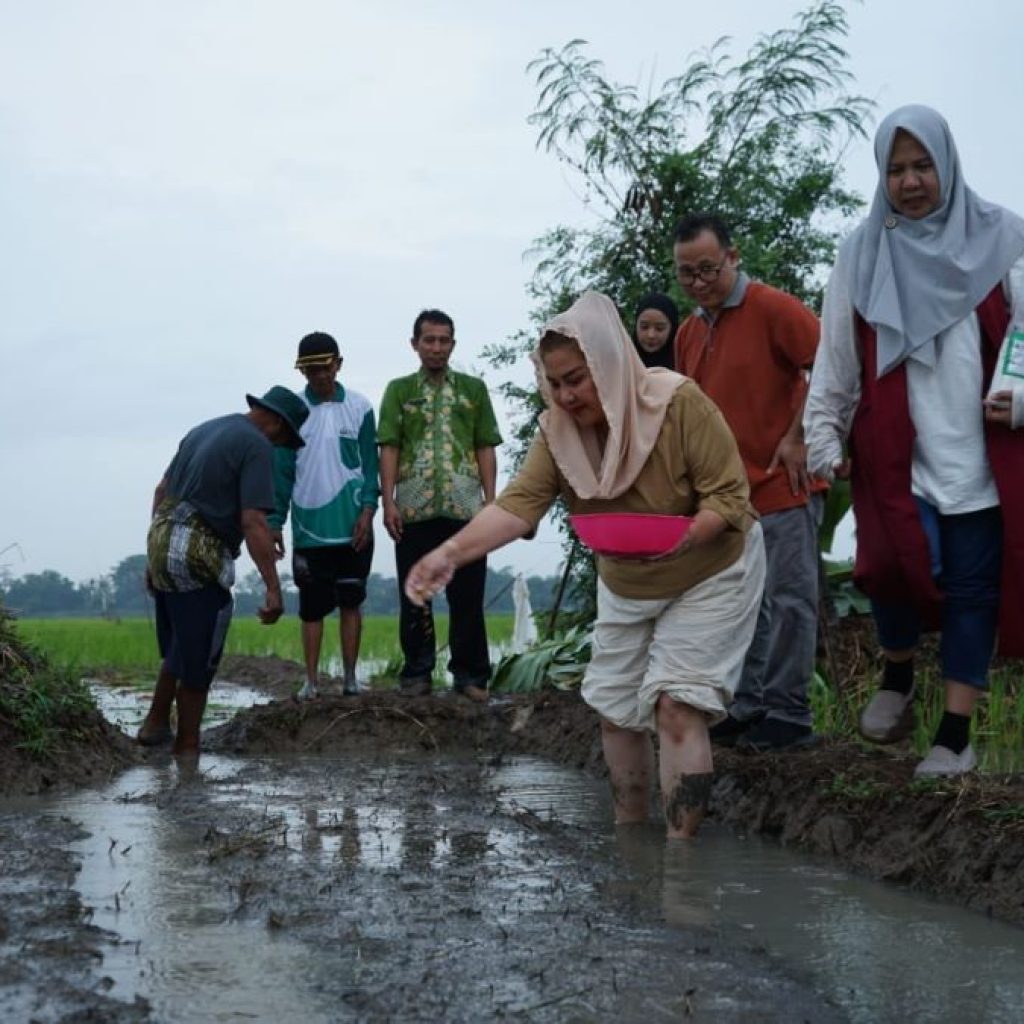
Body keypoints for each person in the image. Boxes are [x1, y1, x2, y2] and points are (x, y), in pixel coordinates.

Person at [404, 291, 765, 838]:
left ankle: (682, 860)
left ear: (611, 364)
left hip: (708, 572)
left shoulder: (678, 404)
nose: (567, 396)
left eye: (577, 379)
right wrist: (450, 553)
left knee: (675, 706)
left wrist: (691, 534)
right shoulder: (558, 434)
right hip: (625, 576)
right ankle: (630, 840)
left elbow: (729, 497)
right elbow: (517, 506)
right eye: (555, 384)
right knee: (615, 710)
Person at [804, 105, 1024, 777]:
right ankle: (897, 670)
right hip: (895, 456)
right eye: (896, 169)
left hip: (982, 460)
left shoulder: (1005, 241)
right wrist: (823, 435)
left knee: (973, 592)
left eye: (922, 165)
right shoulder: (861, 252)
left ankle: (953, 736)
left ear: (947, 165)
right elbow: (837, 356)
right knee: (888, 568)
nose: (910, 181)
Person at [674, 213, 823, 751]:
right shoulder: (689, 332)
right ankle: (750, 703)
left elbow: (828, 363)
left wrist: (799, 433)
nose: (697, 282)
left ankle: (790, 712)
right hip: (729, 497)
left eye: (707, 269)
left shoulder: (774, 308)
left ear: (733, 258)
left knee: (789, 599)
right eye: (686, 274)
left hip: (783, 480)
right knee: (745, 603)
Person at [138, 386, 309, 756]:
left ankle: (154, 723)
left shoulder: (204, 429)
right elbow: (253, 522)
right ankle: (187, 749)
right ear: (278, 424)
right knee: (201, 651)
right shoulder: (257, 445)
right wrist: (273, 588)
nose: (280, 448)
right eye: (285, 439)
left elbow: (161, 490)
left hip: (163, 538)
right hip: (198, 549)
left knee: (182, 641)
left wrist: (154, 556)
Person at [377, 309, 503, 701]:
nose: (436, 347)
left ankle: (470, 676)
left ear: (453, 344)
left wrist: (491, 501)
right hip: (413, 508)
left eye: (443, 340)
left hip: (466, 509)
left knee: (467, 594)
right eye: (428, 340)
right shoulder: (399, 390)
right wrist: (388, 502)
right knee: (416, 591)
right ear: (414, 344)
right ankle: (417, 673)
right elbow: (390, 447)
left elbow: (485, 444)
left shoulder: (473, 389)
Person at [269, 332, 380, 699]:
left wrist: (368, 510)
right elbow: (283, 473)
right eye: (311, 369)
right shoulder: (293, 412)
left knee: (351, 601)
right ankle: (311, 681)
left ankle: (350, 678)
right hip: (308, 527)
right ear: (303, 372)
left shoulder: (361, 408)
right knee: (312, 609)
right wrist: (275, 523)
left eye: (325, 367)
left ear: (339, 364)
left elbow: (370, 466)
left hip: (353, 527)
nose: (319, 375)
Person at [631, 292, 679, 369]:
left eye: (659, 328)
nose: (651, 335)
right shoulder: (624, 363)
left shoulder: (684, 363)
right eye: (644, 327)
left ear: (672, 329)